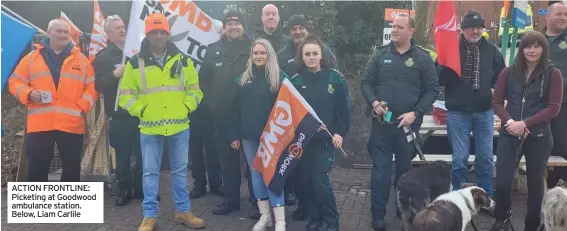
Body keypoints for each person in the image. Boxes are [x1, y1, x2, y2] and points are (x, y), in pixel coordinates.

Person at [118, 13, 205, 230]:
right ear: (147, 34)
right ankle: (150, 216)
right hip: (149, 126)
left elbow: (195, 91)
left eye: (162, 32)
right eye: (154, 32)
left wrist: (186, 106)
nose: (158, 36)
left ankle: (183, 212)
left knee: (180, 170)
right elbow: (125, 96)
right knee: (149, 172)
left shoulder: (183, 60)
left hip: (179, 125)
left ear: (168, 33)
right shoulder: (134, 63)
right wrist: (141, 110)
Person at [360, 14, 439, 231]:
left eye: (399, 27)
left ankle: (402, 208)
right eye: (393, 26)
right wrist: (374, 102)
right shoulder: (379, 54)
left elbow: (432, 89)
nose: (394, 30)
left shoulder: (423, 58)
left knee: (405, 172)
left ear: (411, 31)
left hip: (408, 127)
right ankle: (377, 215)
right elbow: (366, 82)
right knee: (380, 173)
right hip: (382, 126)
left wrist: (415, 113)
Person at [490, 31, 563, 231]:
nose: (531, 50)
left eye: (536, 46)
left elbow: (553, 108)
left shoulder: (553, 73)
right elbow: (496, 102)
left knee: (535, 185)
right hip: (510, 133)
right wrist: (511, 122)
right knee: (503, 181)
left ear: (543, 49)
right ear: (522, 49)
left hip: (539, 136)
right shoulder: (509, 72)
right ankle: (501, 220)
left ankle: (531, 225)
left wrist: (525, 124)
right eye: (527, 46)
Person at [8, 18, 98, 182]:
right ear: (49, 33)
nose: (63, 35)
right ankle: (37, 206)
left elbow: (91, 87)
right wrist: (29, 94)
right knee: (36, 169)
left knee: (71, 171)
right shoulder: (31, 58)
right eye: (59, 31)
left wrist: (81, 107)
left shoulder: (82, 60)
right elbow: (14, 82)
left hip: (71, 123)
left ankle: (68, 206)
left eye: (66, 32)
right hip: (40, 124)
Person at [198, 10, 260, 218]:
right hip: (222, 117)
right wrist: (211, 104)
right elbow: (203, 82)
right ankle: (231, 200)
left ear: (243, 26)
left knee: (254, 163)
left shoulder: (254, 49)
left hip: (250, 115)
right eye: (229, 23)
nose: (233, 26)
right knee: (227, 162)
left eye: (237, 23)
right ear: (223, 27)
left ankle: (256, 201)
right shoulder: (212, 50)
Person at [437, 11, 505, 197]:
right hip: (458, 112)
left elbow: (502, 76)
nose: (475, 31)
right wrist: (445, 64)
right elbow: (438, 78)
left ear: (483, 29)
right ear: (462, 29)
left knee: (485, 158)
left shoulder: (492, 51)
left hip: (484, 112)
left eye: (479, 27)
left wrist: (494, 89)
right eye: (471, 28)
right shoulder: (451, 49)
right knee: (460, 159)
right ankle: (460, 197)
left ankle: (485, 196)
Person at [276, 13, 337, 220]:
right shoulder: (282, 55)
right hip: (296, 126)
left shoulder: (323, 50)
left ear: (307, 29)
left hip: (320, 126)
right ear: (289, 32)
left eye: (301, 27)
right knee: (299, 174)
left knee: (317, 176)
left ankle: (320, 211)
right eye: (293, 28)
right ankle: (304, 206)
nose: (297, 31)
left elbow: (334, 82)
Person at [289, 35, 350, 231]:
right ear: (302, 57)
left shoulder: (335, 78)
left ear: (322, 55)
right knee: (307, 181)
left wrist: (340, 133)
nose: (311, 57)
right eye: (307, 54)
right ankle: (315, 218)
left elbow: (343, 110)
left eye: (315, 53)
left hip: (326, 141)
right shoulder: (296, 81)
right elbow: (291, 111)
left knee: (320, 181)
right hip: (304, 142)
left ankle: (332, 222)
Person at [226, 39, 288, 231]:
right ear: (251, 56)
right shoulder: (242, 79)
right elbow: (233, 110)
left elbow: (290, 107)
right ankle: (265, 216)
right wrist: (234, 135)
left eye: (263, 53)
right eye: (255, 53)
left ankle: (280, 221)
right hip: (249, 137)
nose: (259, 56)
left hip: (273, 137)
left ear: (269, 55)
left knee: (273, 175)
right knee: (256, 175)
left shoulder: (280, 78)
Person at [94, 15, 143, 206]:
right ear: (107, 33)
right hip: (120, 114)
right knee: (122, 155)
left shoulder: (138, 52)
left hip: (141, 112)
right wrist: (116, 74)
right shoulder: (104, 57)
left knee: (143, 154)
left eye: (123, 27)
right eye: (116, 28)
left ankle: (140, 188)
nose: (122, 30)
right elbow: (100, 85)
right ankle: (124, 189)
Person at [544, 2, 567, 188]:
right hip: (539, 104)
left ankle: (561, 188)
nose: (563, 18)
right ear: (548, 17)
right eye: (559, 14)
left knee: (562, 146)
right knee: (543, 146)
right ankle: (545, 188)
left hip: (564, 104)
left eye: (566, 15)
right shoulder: (536, 40)